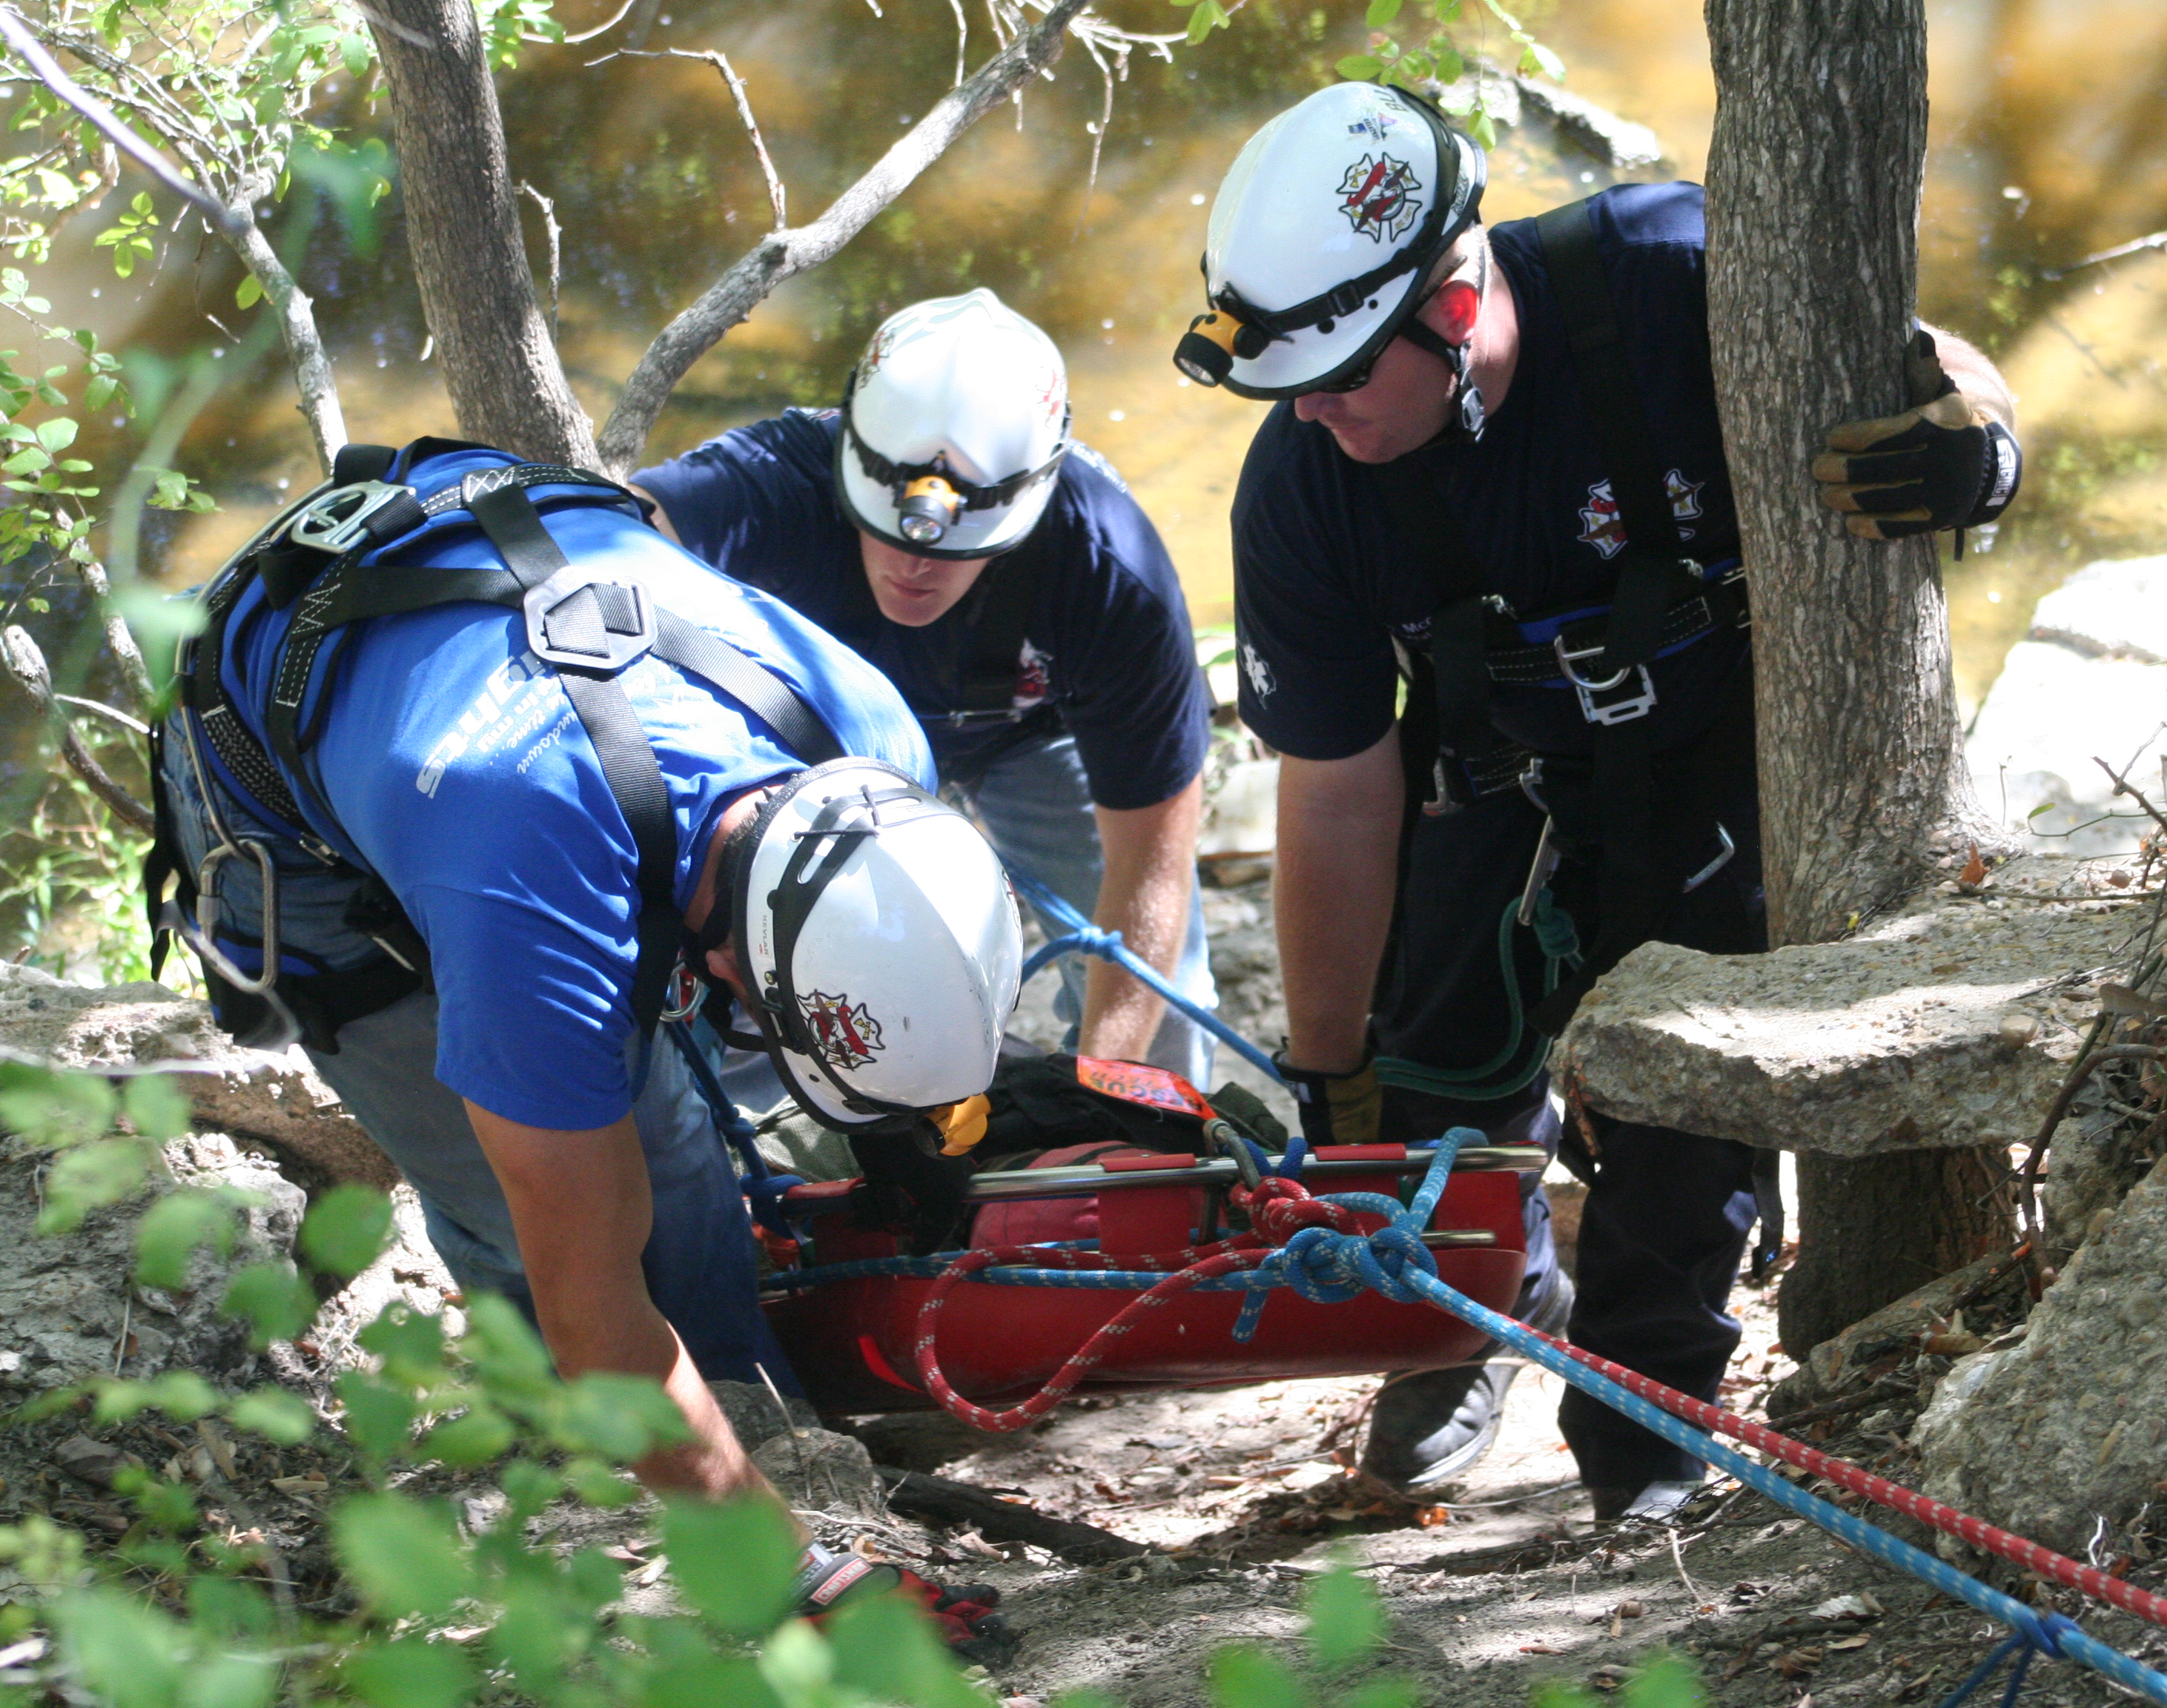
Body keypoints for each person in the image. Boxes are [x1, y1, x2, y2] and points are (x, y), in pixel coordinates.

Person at [1172, 84, 2019, 1520]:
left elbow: (1946, 370)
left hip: (1729, 745)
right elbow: (1332, 793)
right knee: (1430, 1069)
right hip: (1498, 759)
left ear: (1449, 306)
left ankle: (1644, 1449)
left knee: (1690, 1108)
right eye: (1287, 389)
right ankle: (1465, 1331)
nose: (1310, 418)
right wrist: (1335, 1076)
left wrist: (1978, 449)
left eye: (1338, 379)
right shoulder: (1305, 491)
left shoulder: (1668, 281)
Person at [146, 438, 1022, 1652]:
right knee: (523, 1197)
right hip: (280, 753)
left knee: (659, 1127)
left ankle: (739, 1387)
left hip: (496, 628)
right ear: (726, 962)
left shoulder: (874, 741)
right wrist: (798, 1578)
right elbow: (598, 1321)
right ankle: (569, 1460)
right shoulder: (533, 882)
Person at [632, 289, 1220, 1090]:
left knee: (1164, 1004)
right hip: (818, 742)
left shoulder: (1109, 569)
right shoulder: (773, 480)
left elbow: (1150, 861)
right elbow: (618, 531)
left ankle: (1163, 1167)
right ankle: (750, 1154)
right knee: (758, 990)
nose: (916, 564)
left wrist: (1105, 1092)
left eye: (959, 547)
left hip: (1032, 733)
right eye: (887, 525)